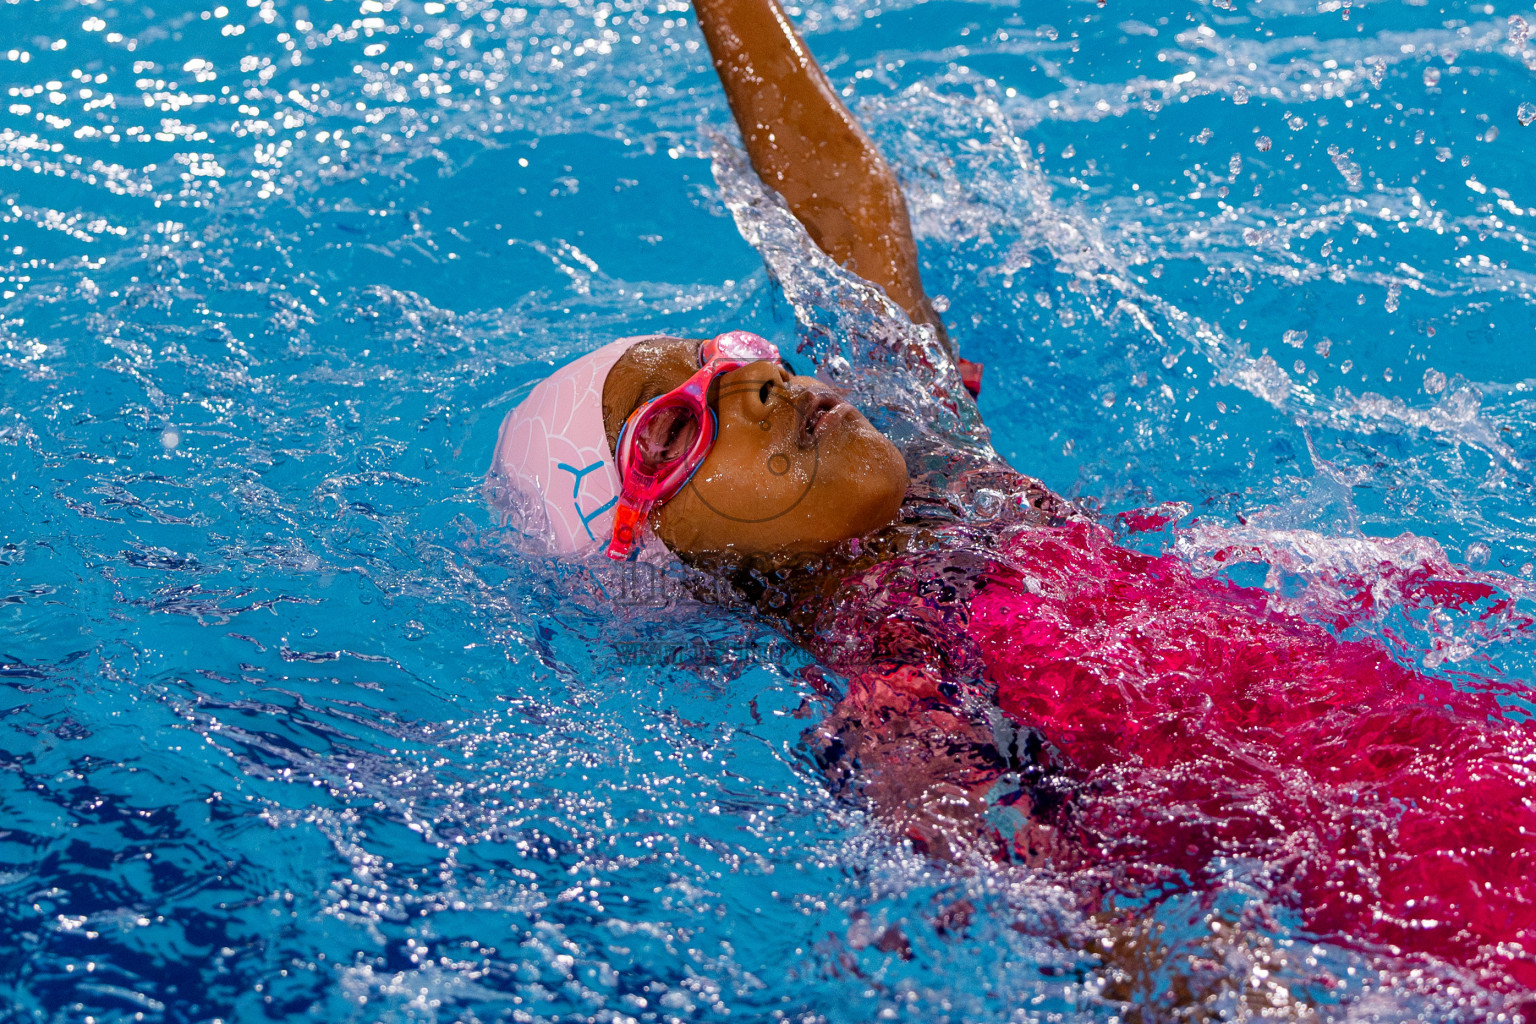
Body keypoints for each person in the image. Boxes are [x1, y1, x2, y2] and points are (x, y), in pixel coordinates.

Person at [488, 0, 1536, 1002]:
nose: (755, 384)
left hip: (1471, 740)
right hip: (1431, 895)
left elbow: (841, 207)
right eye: (678, 425)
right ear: (661, 555)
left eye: (733, 357)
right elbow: (1052, 913)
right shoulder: (889, 685)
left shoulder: (943, 455)